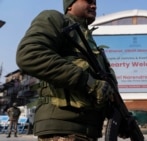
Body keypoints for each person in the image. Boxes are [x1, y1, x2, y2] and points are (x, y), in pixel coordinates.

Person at [16, 0, 118, 140]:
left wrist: (119, 117)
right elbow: (29, 55)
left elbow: (103, 90)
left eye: (95, 2)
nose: (94, 6)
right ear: (70, 5)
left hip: (87, 131)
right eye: (88, 1)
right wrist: (90, 83)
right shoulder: (55, 19)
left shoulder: (88, 40)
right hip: (62, 129)